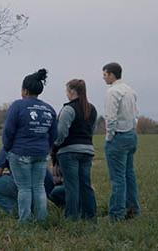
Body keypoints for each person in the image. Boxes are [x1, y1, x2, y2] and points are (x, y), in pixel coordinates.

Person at [2, 68, 57, 222]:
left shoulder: (18, 106)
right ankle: (41, 219)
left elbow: (8, 131)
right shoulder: (49, 109)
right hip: (41, 154)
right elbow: (54, 134)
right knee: (39, 187)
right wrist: (46, 147)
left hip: (20, 153)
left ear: (24, 90)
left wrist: (8, 147)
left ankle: (25, 221)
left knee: (24, 188)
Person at [51, 79, 97, 220]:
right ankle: (90, 216)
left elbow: (61, 133)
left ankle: (72, 217)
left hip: (69, 152)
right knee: (86, 185)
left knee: (72, 186)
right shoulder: (92, 109)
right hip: (87, 150)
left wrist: (54, 147)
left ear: (71, 91)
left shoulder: (68, 109)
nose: (66, 93)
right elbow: (92, 130)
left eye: (67, 90)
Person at [102, 62, 140, 221]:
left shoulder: (112, 92)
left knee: (118, 178)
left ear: (111, 75)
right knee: (129, 174)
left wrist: (109, 137)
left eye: (104, 74)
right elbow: (136, 114)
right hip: (131, 135)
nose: (103, 77)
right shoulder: (131, 91)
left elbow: (110, 118)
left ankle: (116, 214)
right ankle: (133, 209)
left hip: (118, 136)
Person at [0, 148, 65, 215]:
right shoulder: (39, 144)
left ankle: (16, 211)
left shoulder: (9, 147)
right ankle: (40, 211)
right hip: (46, 185)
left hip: (25, 185)